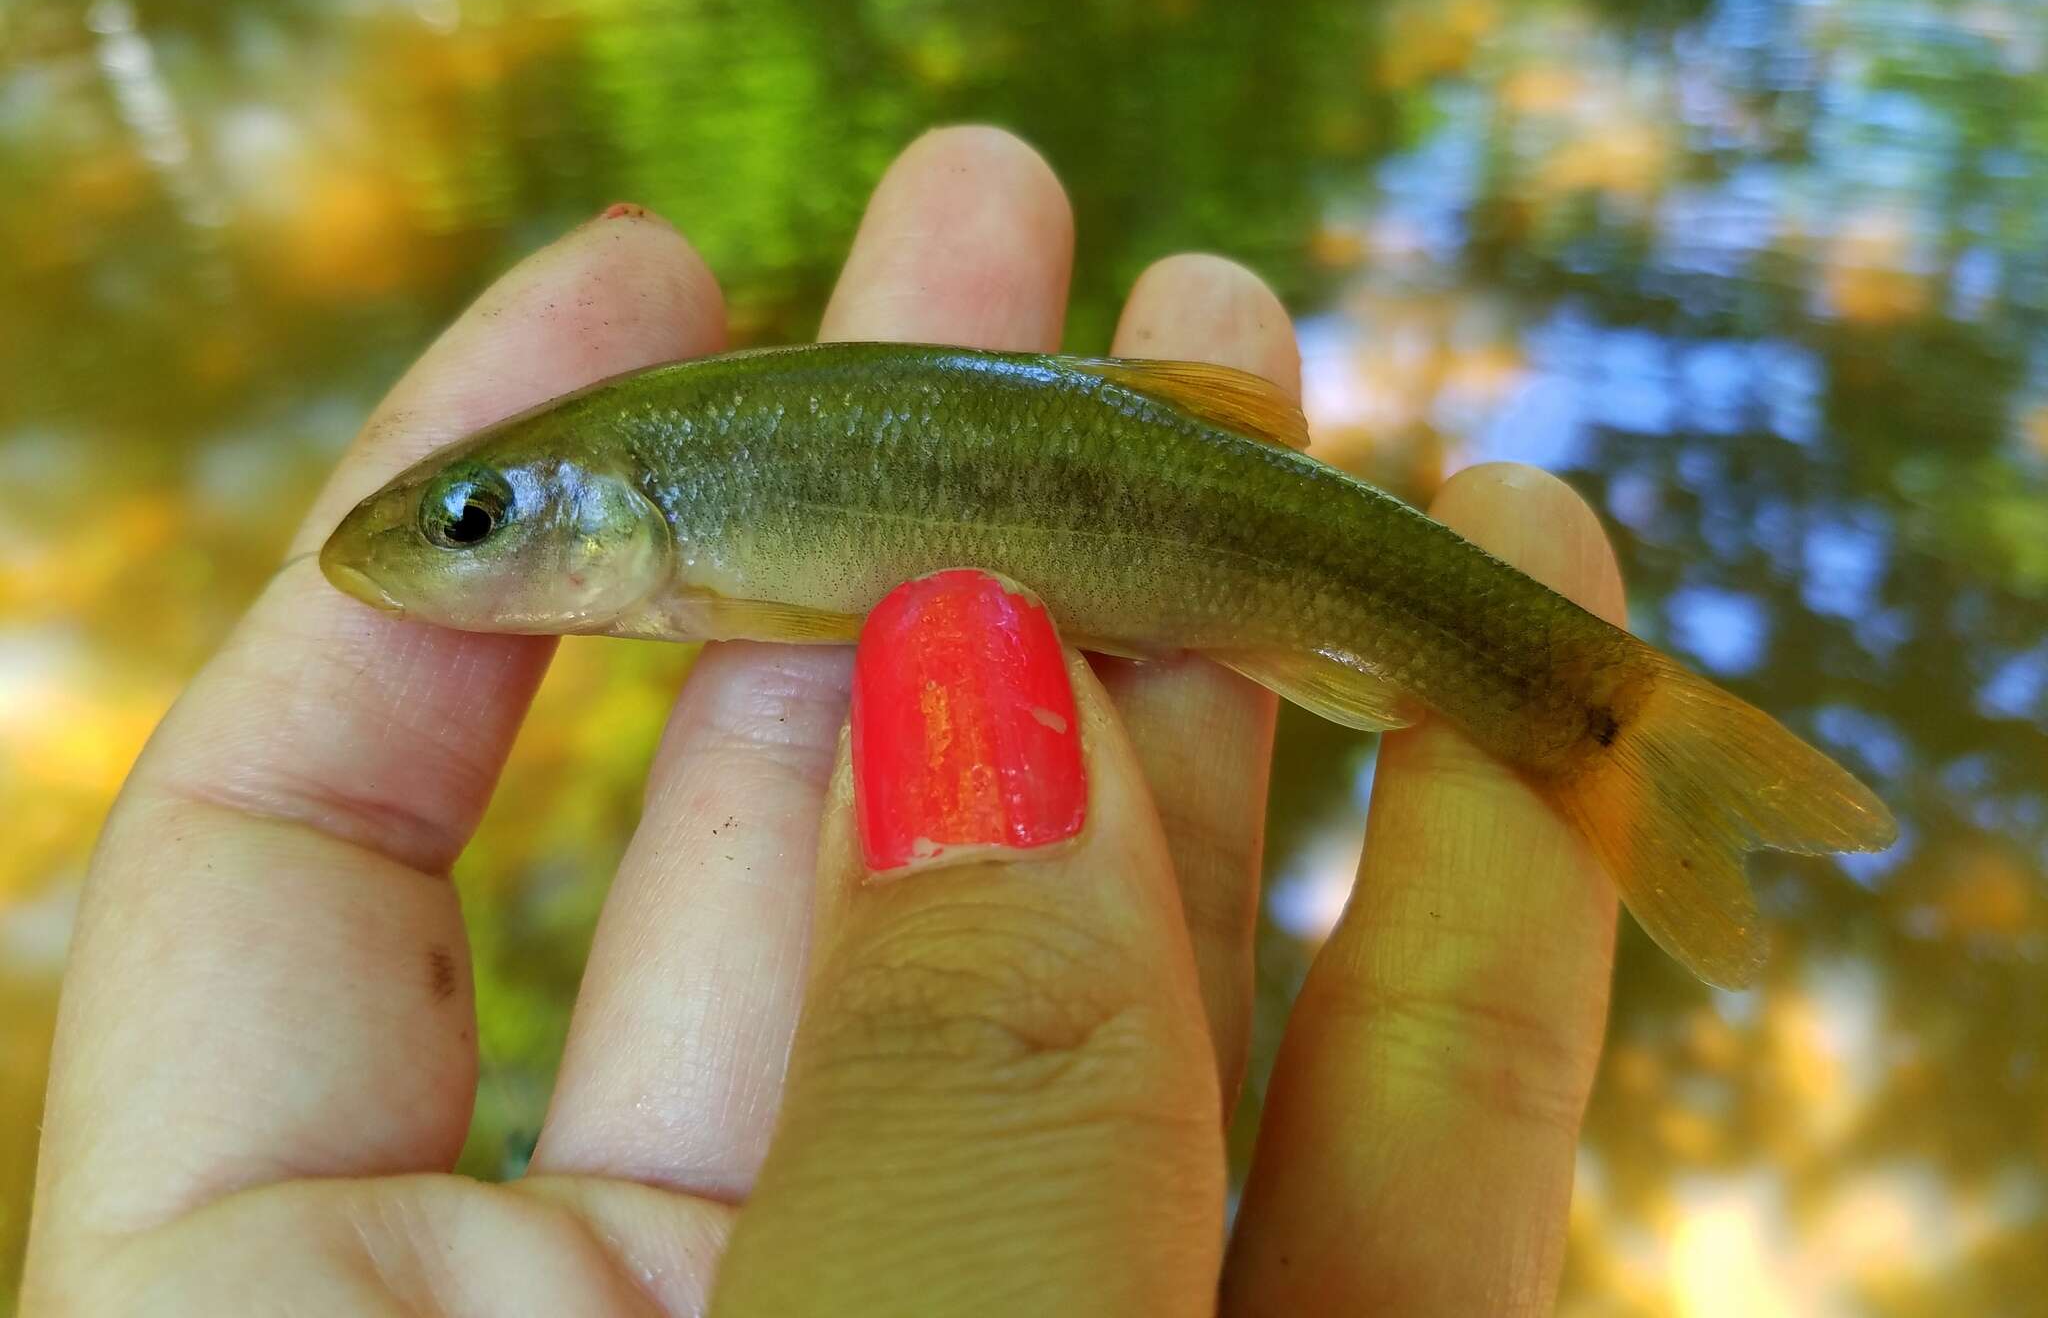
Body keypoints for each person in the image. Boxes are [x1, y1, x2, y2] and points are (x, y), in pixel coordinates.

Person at [23, 128, 1624, 1315]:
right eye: (475, 515)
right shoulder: (671, 492)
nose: (450, 550)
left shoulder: (691, 506)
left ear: (601, 511)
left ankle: (1597, 719)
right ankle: (1593, 719)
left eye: (479, 517)